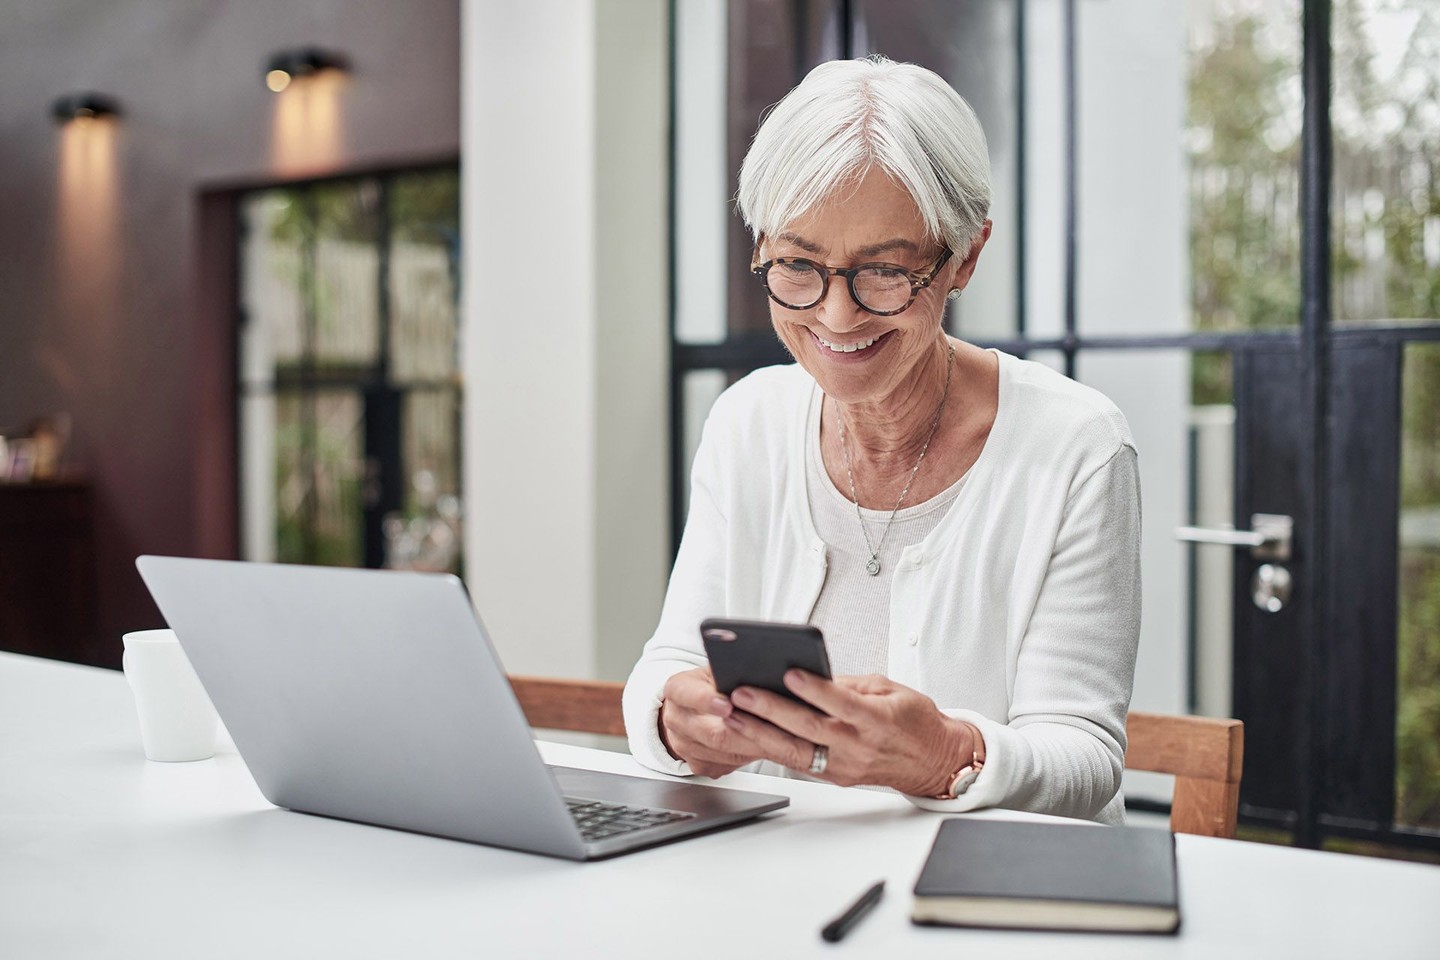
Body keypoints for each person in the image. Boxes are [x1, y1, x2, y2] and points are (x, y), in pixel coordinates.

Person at [623, 56, 1140, 823]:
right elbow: (669, 665)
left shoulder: (1076, 446)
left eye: (885, 274)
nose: (836, 317)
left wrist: (943, 756)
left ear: (965, 256)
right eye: (797, 265)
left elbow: (1086, 756)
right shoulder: (747, 422)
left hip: (980, 911)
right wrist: (675, 717)